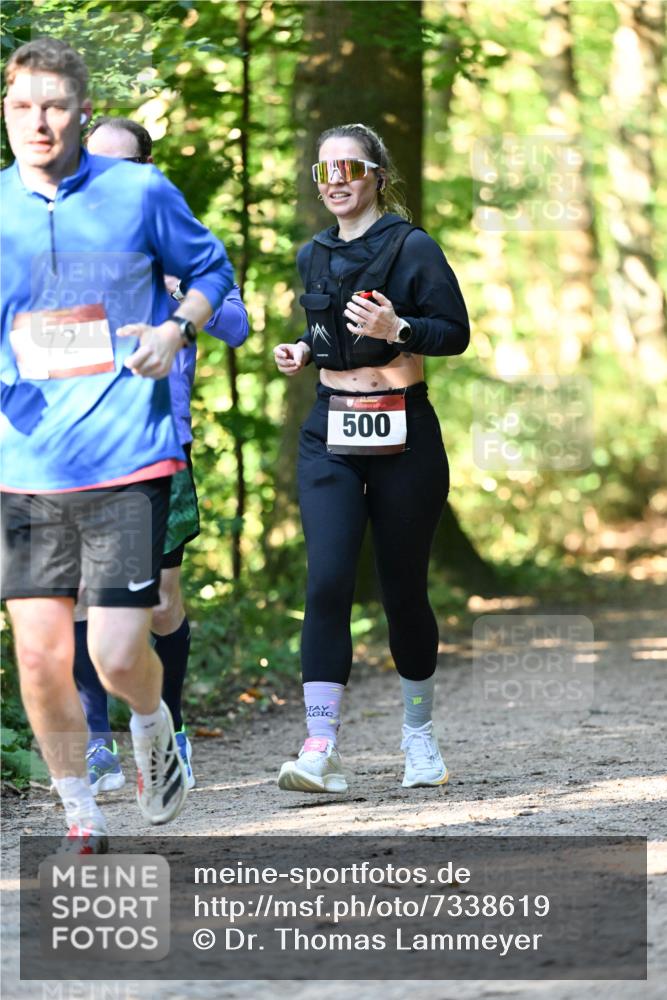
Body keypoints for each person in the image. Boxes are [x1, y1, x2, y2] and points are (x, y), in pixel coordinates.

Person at [0, 38, 234, 851]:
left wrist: (175, 331)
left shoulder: (139, 191)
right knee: (38, 658)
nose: (40, 121)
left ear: (82, 111)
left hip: (129, 457)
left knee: (116, 652)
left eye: (55, 106)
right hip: (24, 466)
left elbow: (213, 273)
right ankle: (80, 812)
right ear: (6, 112)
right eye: (24, 105)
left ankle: (151, 718)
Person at [273, 123, 469, 793]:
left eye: (348, 167)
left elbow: (455, 332)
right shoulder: (312, 254)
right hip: (330, 431)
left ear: (375, 175)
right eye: (322, 170)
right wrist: (304, 350)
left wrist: (400, 329)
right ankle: (320, 748)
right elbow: (326, 328)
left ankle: (419, 740)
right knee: (326, 582)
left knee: (402, 590)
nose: (334, 179)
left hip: (402, 433)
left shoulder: (412, 247)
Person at [70, 117, 249, 796]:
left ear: (147, 167)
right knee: (83, 597)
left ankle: (168, 731)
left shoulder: (179, 240)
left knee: (163, 602)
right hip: (82, 450)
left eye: (125, 165)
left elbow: (237, 325)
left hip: (160, 451)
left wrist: (181, 299)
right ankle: (96, 745)